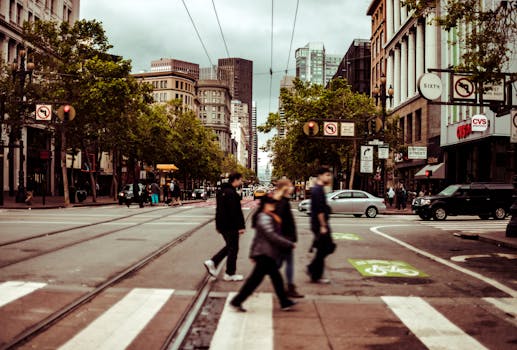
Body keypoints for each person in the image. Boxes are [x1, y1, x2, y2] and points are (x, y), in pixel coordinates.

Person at [230, 194, 296, 312]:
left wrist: (252, 253)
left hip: (265, 253)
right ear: (265, 205)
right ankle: (237, 301)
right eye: (271, 203)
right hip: (265, 254)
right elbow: (271, 235)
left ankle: (284, 301)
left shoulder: (268, 216)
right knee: (257, 281)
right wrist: (288, 243)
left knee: (274, 279)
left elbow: (257, 238)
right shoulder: (264, 217)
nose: (273, 205)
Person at [204, 172, 246, 281]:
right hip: (231, 226)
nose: (241, 182)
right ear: (235, 180)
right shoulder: (232, 194)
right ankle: (229, 273)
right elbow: (236, 212)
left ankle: (213, 262)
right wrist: (241, 226)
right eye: (240, 180)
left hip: (222, 225)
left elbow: (219, 211)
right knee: (233, 248)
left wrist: (218, 225)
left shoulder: (221, 192)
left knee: (230, 247)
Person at [274, 179, 303, 298]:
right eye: (290, 185)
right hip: (285, 239)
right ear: (285, 188)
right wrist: (287, 239)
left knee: (277, 264)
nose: (292, 187)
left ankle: (289, 287)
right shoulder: (283, 202)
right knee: (286, 263)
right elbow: (279, 221)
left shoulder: (282, 201)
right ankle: (290, 287)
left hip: (284, 239)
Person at [307, 166, 335, 284]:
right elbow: (319, 211)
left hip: (319, 224)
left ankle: (313, 270)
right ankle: (314, 272)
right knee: (326, 248)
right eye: (327, 175)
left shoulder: (319, 189)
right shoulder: (317, 190)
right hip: (320, 224)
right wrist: (323, 225)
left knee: (324, 248)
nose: (330, 177)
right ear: (321, 175)